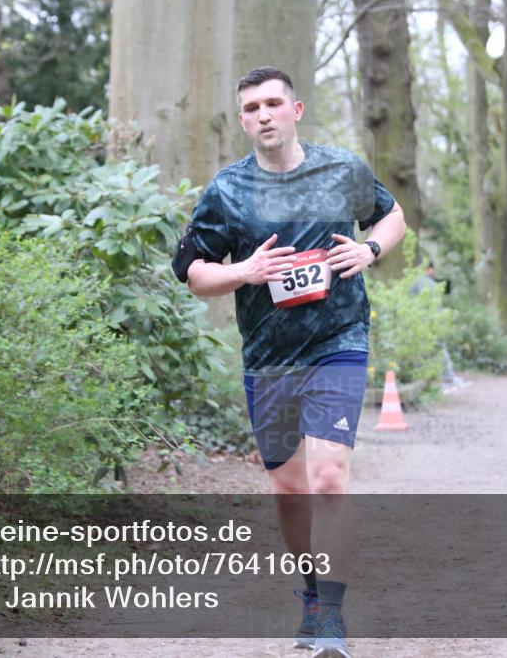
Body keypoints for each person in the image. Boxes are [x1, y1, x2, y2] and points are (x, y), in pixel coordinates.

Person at [171, 66, 406, 658]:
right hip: (270, 356)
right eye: (251, 108)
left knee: (329, 474)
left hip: (339, 339)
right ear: (244, 120)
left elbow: (392, 213)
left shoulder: (342, 169)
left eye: (273, 103)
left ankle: (330, 614)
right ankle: (309, 590)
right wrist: (244, 271)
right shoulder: (227, 191)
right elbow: (195, 274)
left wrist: (370, 248)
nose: (263, 115)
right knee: (289, 488)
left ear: (296, 110)